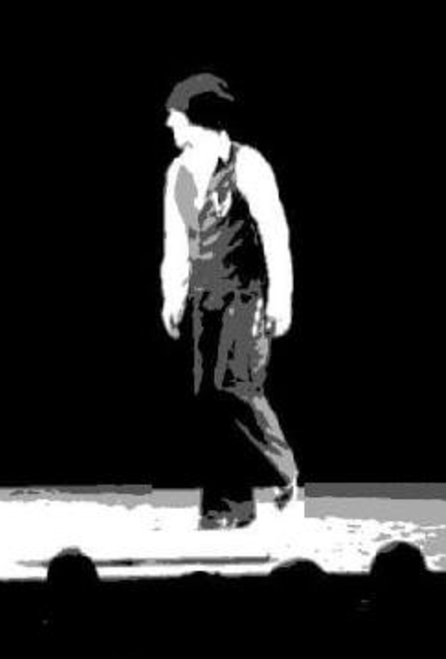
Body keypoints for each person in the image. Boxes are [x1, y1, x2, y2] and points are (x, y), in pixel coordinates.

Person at [160, 73, 301, 529]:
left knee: (236, 386)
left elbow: (275, 233)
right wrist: (173, 294)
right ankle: (227, 506)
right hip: (203, 296)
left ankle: (283, 470)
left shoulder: (247, 164)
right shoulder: (179, 173)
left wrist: (281, 299)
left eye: (176, 115)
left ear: (196, 117)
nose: (169, 123)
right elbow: (177, 241)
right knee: (208, 400)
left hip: (245, 293)